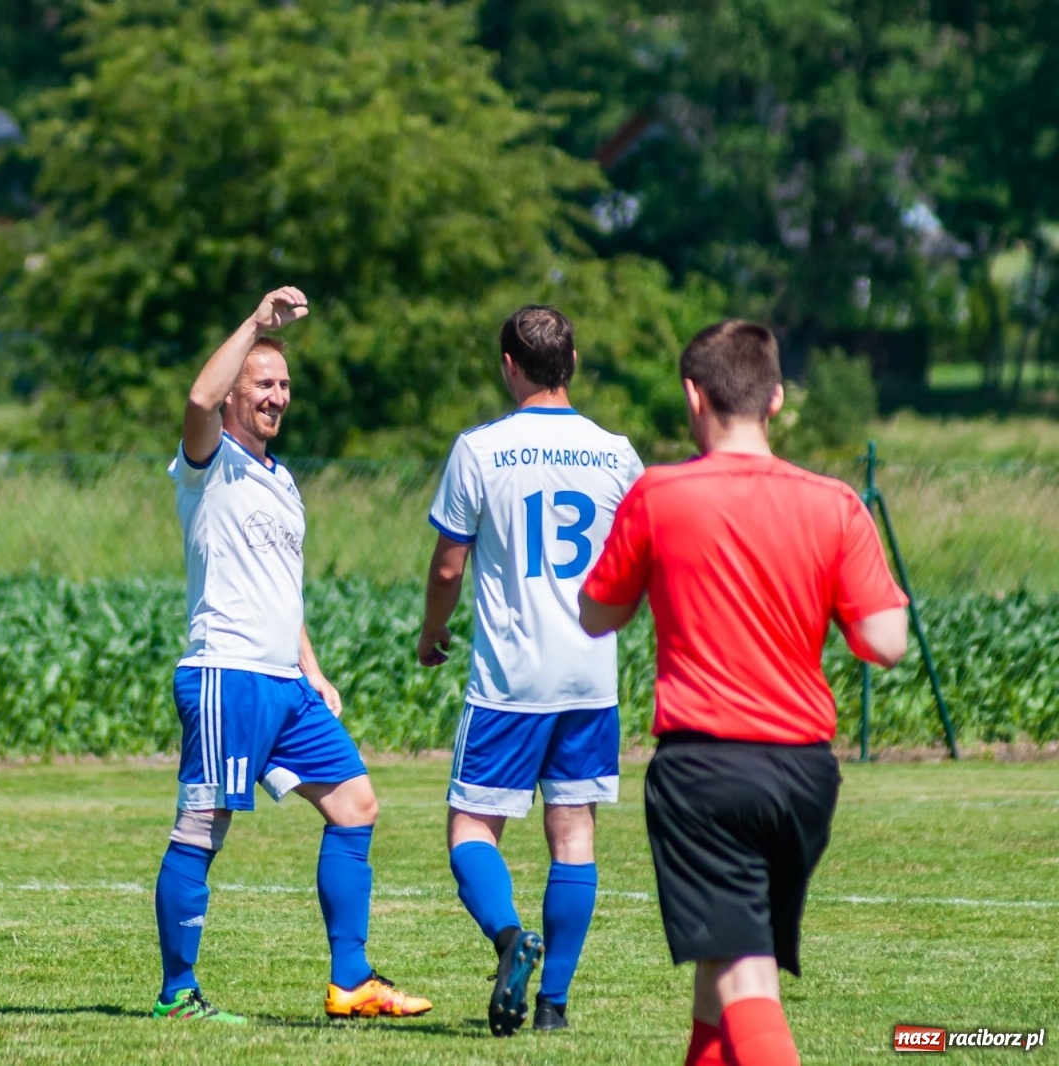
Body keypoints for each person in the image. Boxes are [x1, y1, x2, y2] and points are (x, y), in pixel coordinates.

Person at [578, 321, 908, 1066]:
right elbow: (885, 642)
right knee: (722, 973)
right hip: (804, 775)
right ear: (777, 399)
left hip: (706, 770)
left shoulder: (659, 493)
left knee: (744, 975)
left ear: (693, 396)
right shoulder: (834, 502)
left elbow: (598, 615)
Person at [152, 287, 433, 1024]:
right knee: (202, 828)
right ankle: (177, 994)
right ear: (235, 394)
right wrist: (254, 325)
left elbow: (283, 591)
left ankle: (352, 982)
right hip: (227, 674)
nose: (276, 396)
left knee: (356, 806)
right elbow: (197, 397)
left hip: (286, 684)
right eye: (262, 384)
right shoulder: (208, 462)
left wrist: (312, 669)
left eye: (283, 385)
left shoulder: (283, 481)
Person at [417, 305, 643, 1037]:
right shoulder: (617, 454)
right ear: (571, 363)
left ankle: (511, 936)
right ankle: (554, 1006)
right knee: (573, 834)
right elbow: (643, 559)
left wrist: (432, 629)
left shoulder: (480, 449)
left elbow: (448, 566)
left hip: (511, 681)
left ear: (509, 366)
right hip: (590, 676)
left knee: (470, 828)